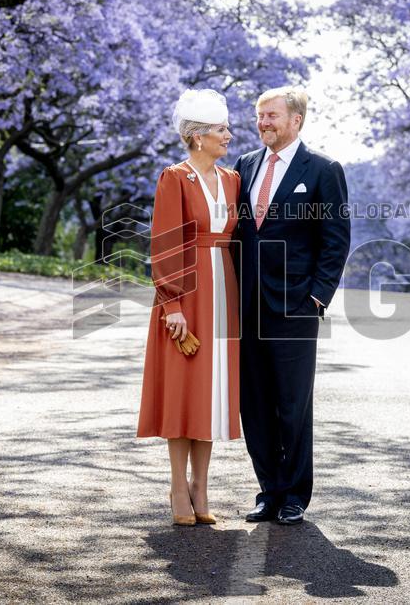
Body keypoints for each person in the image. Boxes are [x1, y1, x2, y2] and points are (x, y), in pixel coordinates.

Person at [233, 86, 350, 526]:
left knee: (293, 403)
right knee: (255, 403)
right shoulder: (244, 166)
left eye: (272, 116)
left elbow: (335, 240)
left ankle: (296, 494)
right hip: (246, 307)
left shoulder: (322, 169)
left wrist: (317, 297)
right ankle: (270, 491)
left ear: (296, 119)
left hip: (296, 307)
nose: (263, 123)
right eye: (260, 116)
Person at [137, 89, 241, 526]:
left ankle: (202, 486)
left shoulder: (233, 180)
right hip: (186, 295)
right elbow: (164, 243)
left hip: (225, 292)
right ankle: (178, 485)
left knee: (212, 394)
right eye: (221, 130)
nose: (229, 136)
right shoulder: (174, 178)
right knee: (183, 390)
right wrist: (172, 303)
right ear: (197, 137)